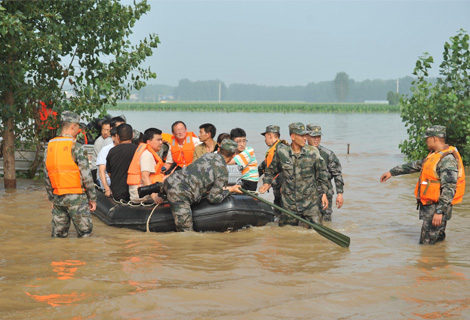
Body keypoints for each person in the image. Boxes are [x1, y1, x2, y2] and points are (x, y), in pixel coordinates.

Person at [380, 125, 465, 245]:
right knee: (436, 245)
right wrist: (392, 172)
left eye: (427, 138)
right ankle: (438, 261)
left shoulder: (447, 160)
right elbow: (416, 165)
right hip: (434, 208)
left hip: (436, 209)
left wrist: (439, 211)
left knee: (427, 246)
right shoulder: (436, 155)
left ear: (435, 138)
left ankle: (428, 264)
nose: (425, 141)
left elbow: (449, 187)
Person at [162, 139, 243, 232]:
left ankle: (152, 189)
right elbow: (213, 198)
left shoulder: (207, 155)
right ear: (233, 155)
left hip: (169, 181)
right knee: (186, 233)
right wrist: (230, 190)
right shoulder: (223, 172)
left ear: (219, 149)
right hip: (180, 194)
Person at [259, 122, 329, 226]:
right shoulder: (282, 153)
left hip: (310, 204)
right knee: (287, 234)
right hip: (289, 204)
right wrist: (266, 183)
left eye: (305, 135)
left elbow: (322, 174)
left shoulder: (313, 152)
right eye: (301, 135)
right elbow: (270, 171)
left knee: (316, 232)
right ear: (293, 136)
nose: (305, 138)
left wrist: (324, 193)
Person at [44, 111, 97, 238]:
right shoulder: (76, 146)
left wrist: (52, 197)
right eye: (78, 126)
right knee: (85, 234)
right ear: (73, 126)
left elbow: (46, 175)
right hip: (77, 197)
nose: (78, 129)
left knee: (58, 235)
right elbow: (86, 175)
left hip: (58, 197)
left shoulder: (49, 146)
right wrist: (92, 198)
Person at [306, 124, 344, 221]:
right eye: (313, 136)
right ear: (306, 136)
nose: (316, 139)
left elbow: (337, 174)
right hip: (306, 196)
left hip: (325, 195)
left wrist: (340, 194)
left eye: (318, 136)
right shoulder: (301, 152)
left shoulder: (328, 154)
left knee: (325, 221)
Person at [128, 128, 165, 204]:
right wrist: (155, 197)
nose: (161, 143)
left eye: (161, 140)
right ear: (149, 141)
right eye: (158, 140)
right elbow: (145, 177)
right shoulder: (147, 155)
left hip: (138, 192)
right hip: (142, 195)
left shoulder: (144, 152)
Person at [258, 125, 289, 214]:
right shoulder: (273, 149)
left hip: (283, 189)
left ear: (270, 136)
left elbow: (286, 170)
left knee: (284, 213)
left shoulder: (282, 149)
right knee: (278, 211)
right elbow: (264, 166)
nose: (265, 140)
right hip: (277, 188)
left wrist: (268, 184)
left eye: (265, 137)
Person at [106, 124, 138, 202]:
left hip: (118, 192)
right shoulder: (138, 150)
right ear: (132, 135)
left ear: (117, 137)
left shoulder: (112, 151)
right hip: (135, 193)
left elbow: (109, 173)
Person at [96, 127, 118, 196]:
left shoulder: (125, 148)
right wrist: (107, 188)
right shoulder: (106, 150)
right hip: (108, 183)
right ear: (113, 137)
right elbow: (101, 171)